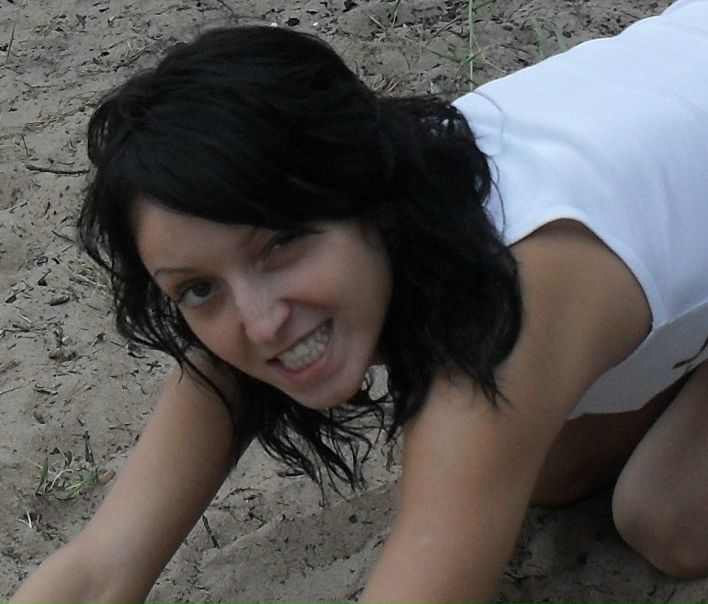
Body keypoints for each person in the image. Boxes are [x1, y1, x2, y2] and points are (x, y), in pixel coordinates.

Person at [10, 0, 708, 601]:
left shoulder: (501, 300)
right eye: (197, 288)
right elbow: (100, 571)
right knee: (543, 468)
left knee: (667, 516)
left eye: (280, 244)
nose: (261, 321)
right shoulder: (271, 275)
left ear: (364, 193)